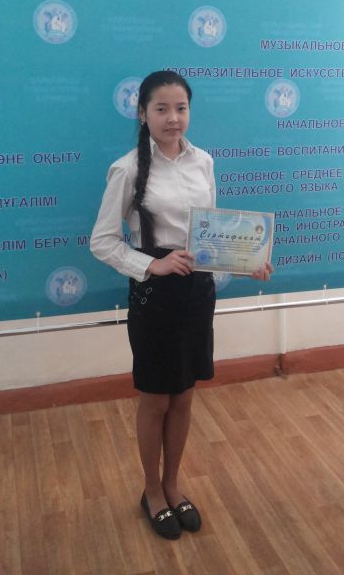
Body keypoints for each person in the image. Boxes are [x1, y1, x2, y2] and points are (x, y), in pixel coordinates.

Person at [90, 70, 272, 540]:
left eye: (181, 108)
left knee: (186, 394)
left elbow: (211, 235)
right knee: (156, 398)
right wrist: (152, 265)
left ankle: (173, 484)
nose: (173, 118)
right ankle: (151, 490)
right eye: (162, 109)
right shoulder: (127, 169)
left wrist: (247, 261)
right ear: (142, 113)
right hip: (155, 295)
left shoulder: (204, 161)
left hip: (197, 292)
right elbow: (102, 241)